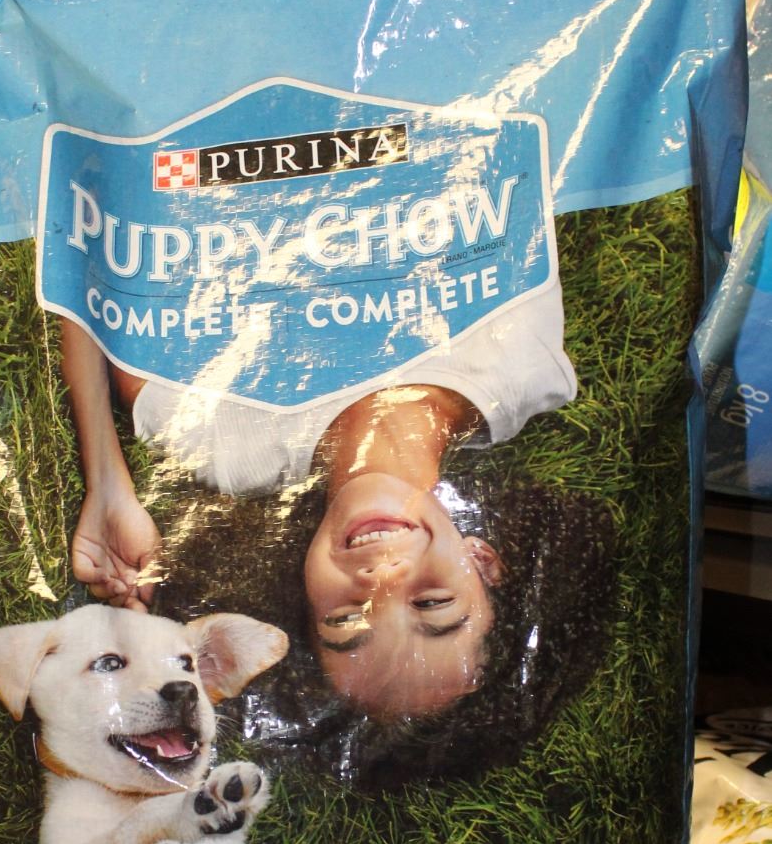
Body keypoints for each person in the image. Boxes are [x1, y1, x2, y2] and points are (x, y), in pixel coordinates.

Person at [60, 274, 576, 719]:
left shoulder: (218, 436)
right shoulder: (522, 360)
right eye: (432, 603)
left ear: (305, 595)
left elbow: (95, 275)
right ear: (482, 561)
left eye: (345, 619)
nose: (381, 579)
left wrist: (106, 479)